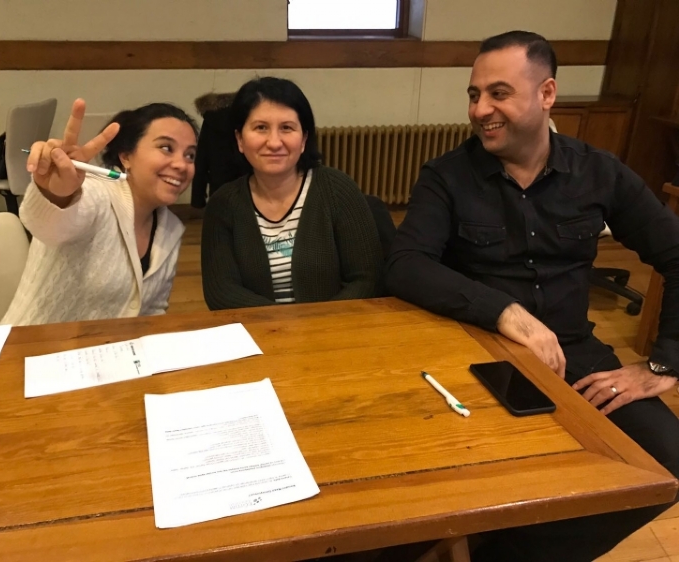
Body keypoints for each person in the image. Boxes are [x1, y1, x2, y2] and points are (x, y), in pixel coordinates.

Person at [385, 31, 679, 562]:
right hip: (481, 353)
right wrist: (504, 310)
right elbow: (405, 264)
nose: (480, 109)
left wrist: (663, 364)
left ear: (546, 94)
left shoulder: (598, 171)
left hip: (575, 355)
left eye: (498, 93)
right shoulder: (447, 176)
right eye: (474, 95)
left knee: (667, 460)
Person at [1, 99, 198, 326]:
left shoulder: (170, 229)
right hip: (29, 344)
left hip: (108, 347)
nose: (182, 165)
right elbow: (49, 227)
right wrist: (56, 193)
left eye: (190, 155)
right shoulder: (95, 194)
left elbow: (153, 309)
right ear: (126, 156)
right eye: (166, 148)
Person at [201, 77, 383, 310]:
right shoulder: (223, 204)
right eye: (261, 128)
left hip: (334, 326)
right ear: (240, 139)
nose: (274, 142)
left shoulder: (337, 189)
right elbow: (221, 292)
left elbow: (367, 280)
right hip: (257, 329)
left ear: (304, 139)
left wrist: (315, 323)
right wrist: (284, 324)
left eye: (286, 128)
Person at [190, 91, 248, 208]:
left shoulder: (210, 121)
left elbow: (201, 160)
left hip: (218, 187)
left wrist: (198, 199)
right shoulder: (246, 120)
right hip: (247, 184)